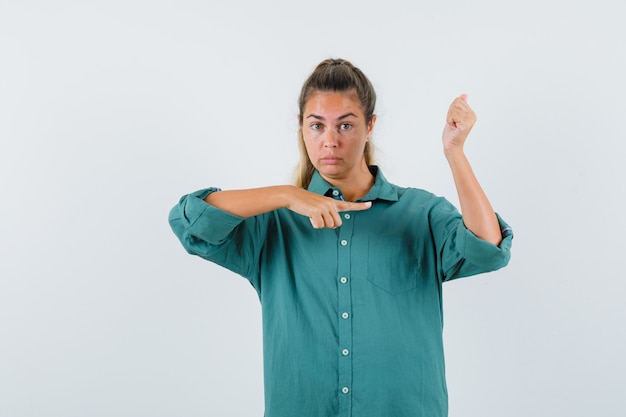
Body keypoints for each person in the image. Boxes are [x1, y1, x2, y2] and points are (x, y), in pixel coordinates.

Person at [169, 58, 513, 417]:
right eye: (316, 125)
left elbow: (489, 250)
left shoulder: (420, 213)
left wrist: (454, 153)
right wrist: (287, 195)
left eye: (345, 125)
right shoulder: (273, 224)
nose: (330, 141)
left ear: (369, 127)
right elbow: (190, 222)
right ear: (302, 129)